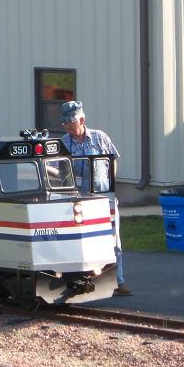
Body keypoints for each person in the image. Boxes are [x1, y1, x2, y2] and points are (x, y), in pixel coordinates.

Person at [59, 100, 132, 296]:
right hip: (79, 203)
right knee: (80, 242)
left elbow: (112, 161)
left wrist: (109, 183)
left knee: (113, 240)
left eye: (70, 121)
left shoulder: (100, 138)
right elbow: (59, 173)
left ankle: (118, 281)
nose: (67, 126)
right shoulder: (64, 143)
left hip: (104, 198)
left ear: (81, 119)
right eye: (64, 122)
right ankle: (83, 281)